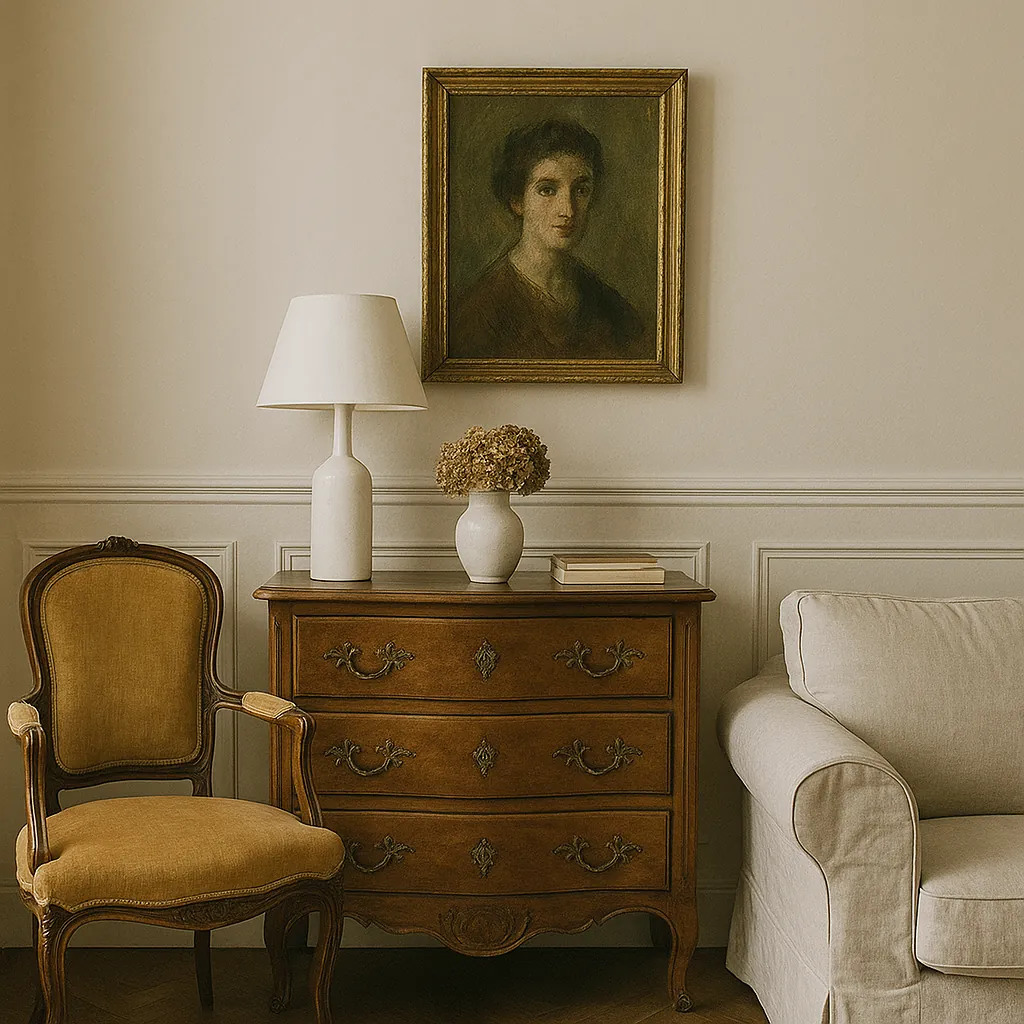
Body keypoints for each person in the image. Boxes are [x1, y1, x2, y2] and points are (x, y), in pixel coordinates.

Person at [450, 118, 650, 361]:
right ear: (517, 200)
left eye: (580, 190)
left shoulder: (610, 307)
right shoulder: (480, 312)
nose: (568, 209)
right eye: (547, 190)